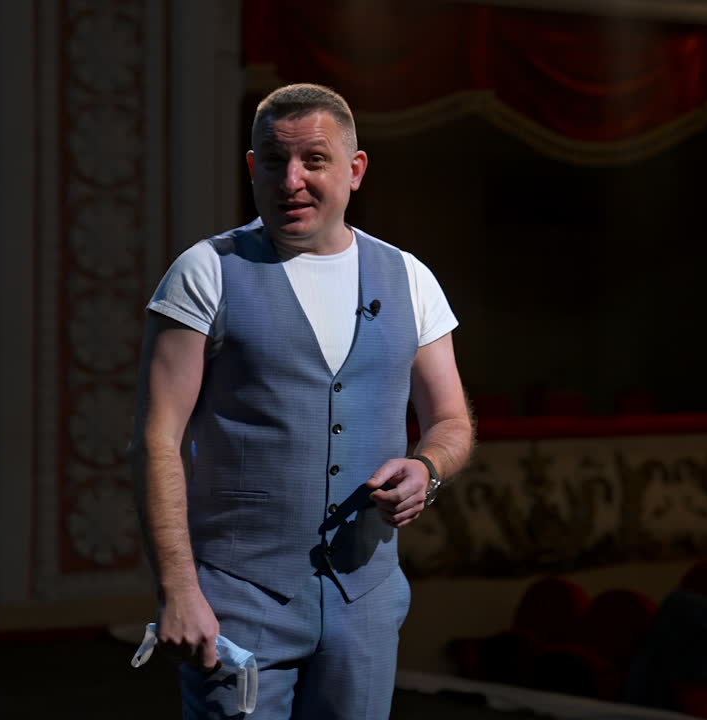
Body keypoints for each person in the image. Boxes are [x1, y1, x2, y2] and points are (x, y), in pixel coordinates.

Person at [131, 83, 474, 719]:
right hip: (239, 600)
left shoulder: (409, 278)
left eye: (313, 160)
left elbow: (450, 421)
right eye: (273, 159)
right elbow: (157, 438)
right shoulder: (207, 271)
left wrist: (427, 469)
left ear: (354, 169)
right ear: (252, 167)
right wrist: (178, 587)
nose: (292, 179)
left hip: (365, 599)